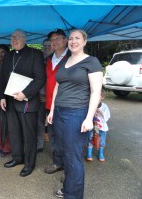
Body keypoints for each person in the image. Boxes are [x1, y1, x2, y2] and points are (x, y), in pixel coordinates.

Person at [47, 29, 103, 199]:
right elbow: (58, 86)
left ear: (85, 41)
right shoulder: (66, 61)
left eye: (77, 38)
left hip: (76, 114)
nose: (73, 41)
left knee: (73, 157)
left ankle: (73, 195)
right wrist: (51, 110)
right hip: (59, 112)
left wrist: (88, 117)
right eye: (71, 38)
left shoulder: (91, 62)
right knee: (66, 153)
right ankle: (68, 188)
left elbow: (95, 91)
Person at [0, 29, 46, 177]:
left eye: (18, 37)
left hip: (27, 101)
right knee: (14, 132)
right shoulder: (9, 55)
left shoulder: (35, 54)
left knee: (28, 134)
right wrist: (1, 97)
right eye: (12, 37)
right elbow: (3, 77)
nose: (15, 40)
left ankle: (29, 164)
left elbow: (40, 78)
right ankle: (18, 158)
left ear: (25, 39)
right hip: (10, 101)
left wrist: (25, 93)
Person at [44, 29, 70, 174]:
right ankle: (57, 161)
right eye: (52, 40)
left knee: (67, 134)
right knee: (53, 135)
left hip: (67, 104)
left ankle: (69, 163)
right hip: (49, 103)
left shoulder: (72, 58)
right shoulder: (48, 59)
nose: (54, 42)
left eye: (58, 38)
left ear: (65, 40)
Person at [0, 44, 11, 157]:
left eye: (3, 52)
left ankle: (7, 147)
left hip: (9, 96)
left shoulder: (12, 65)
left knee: (8, 122)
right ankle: (0, 144)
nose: (0, 54)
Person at [37, 38, 53, 153]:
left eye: (49, 45)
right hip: (40, 96)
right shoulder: (38, 59)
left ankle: (55, 148)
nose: (47, 47)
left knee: (53, 124)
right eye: (45, 45)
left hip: (53, 97)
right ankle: (39, 145)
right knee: (39, 122)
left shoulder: (58, 59)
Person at [86, 90, 110, 162]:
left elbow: (107, 116)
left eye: (98, 96)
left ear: (102, 97)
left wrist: (100, 112)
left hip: (102, 127)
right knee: (90, 138)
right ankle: (89, 154)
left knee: (102, 140)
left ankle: (101, 154)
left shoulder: (105, 106)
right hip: (92, 126)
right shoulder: (89, 105)